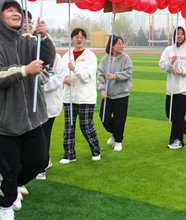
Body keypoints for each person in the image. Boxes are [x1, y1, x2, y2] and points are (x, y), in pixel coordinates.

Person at [0, 0, 55, 220]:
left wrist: (45, 36)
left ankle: (12, 187)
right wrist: (24, 70)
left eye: (17, 10)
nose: (15, 13)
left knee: (38, 161)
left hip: (31, 118)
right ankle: (6, 208)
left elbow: (48, 57)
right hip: (1, 122)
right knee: (6, 168)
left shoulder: (29, 41)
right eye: (8, 10)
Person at [62, 28, 101, 162]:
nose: (79, 39)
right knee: (69, 127)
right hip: (69, 97)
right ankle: (69, 154)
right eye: (76, 37)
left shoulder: (90, 56)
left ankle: (96, 150)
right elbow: (61, 72)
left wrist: (74, 69)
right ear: (71, 38)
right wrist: (66, 77)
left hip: (85, 97)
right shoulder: (66, 55)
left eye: (82, 37)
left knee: (86, 126)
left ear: (85, 40)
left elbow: (86, 76)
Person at [159, 26, 186, 149]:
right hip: (172, 88)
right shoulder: (169, 50)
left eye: (182, 34)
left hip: (185, 88)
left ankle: (177, 141)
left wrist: (181, 70)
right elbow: (162, 65)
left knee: (177, 115)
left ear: (185, 36)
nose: (180, 36)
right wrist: (171, 62)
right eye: (177, 34)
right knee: (170, 114)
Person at [97, 35, 134, 152]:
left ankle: (118, 140)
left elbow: (129, 72)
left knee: (119, 118)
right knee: (103, 117)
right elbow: (100, 76)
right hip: (108, 94)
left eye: (122, 44)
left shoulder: (126, 58)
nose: (121, 46)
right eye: (118, 44)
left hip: (121, 94)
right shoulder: (105, 60)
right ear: (111, 46)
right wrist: (102, 90)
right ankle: (115, 132)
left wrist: (115, 76)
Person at [36, 51, 67, 180]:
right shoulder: (34, 57)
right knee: (36, 136)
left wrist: (40, 84)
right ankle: (45, 160)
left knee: (44, 135)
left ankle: (41, 167)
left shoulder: (57, 59)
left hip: (50, 105)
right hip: (35, 105)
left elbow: (58, 79)